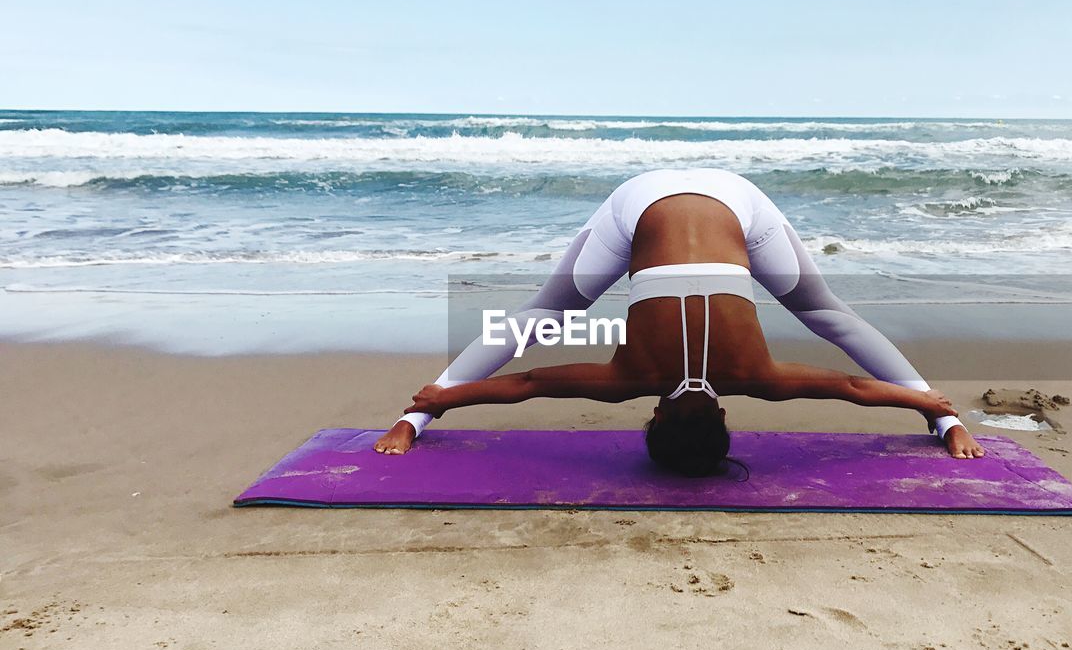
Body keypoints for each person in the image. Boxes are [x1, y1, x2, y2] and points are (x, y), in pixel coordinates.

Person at [374, 168, 984, 472]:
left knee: (830, 318)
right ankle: (411, 422)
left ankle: (412, 422)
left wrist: (940, 412)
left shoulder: (758, 377)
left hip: (732, 201)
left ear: (724, 415)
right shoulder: (628, 379)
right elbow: (527, 387)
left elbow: (851, 389)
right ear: (654, 415)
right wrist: (440, 401)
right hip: (648, 205)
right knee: (543, 317)